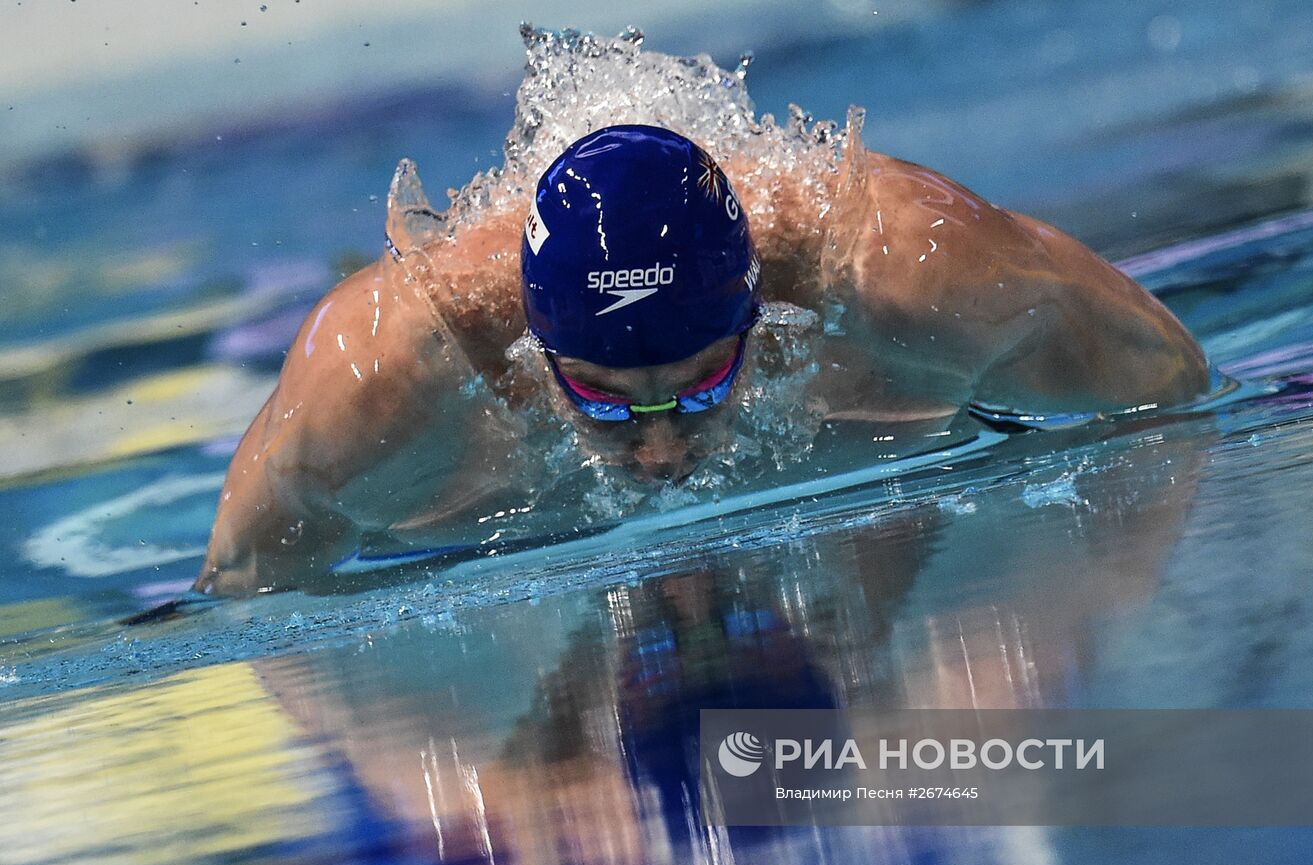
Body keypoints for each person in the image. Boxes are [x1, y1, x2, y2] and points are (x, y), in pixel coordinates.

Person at [195, 124, 1208, 596]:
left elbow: (1171, 384)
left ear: (762, 317)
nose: (660, 448)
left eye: (704, 384)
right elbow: (242, 584)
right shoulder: (373, 382)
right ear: (532, 355)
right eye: (598, 400)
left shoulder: (918, 275)